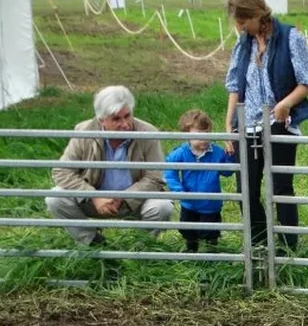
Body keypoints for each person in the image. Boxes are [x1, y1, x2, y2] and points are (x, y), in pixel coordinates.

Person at [224, 0, 308, 252]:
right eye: (237, 22)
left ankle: (288, 250)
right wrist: (229, 123)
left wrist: (285, 103)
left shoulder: (291, 37)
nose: (240, 27)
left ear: (257, 14)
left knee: (281, 188)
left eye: (244, 21)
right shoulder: (243, 44)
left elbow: (307, 82)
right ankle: (261, 246)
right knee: (246, 190)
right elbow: (234, 85)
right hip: (248, 124)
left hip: (280, 126)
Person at [46, 85, 171, 246]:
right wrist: (94, 196)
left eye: (127, 116)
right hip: (94, 201)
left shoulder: (148, 133)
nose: (125, 124)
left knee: (163, 206)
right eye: (116, 119)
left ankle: (139, 249)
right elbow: (61, 171)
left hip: (134, 201)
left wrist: (124, 197)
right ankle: (93, 242)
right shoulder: (84, 132)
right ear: (101, 120)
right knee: (55, 198)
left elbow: (155, 177)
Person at [164, 109, 234, 253]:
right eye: (198, 135)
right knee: (188, 228)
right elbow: (169, 170)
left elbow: (227, 172)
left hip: (210, 202)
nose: (203, 139)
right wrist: (178, 190)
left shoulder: (217, 152)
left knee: (211, 230)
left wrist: (230, 156)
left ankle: (212, 250)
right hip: (188, 202)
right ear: (187, 135)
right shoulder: (181, 153)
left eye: (207, 134)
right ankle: (191, 249)